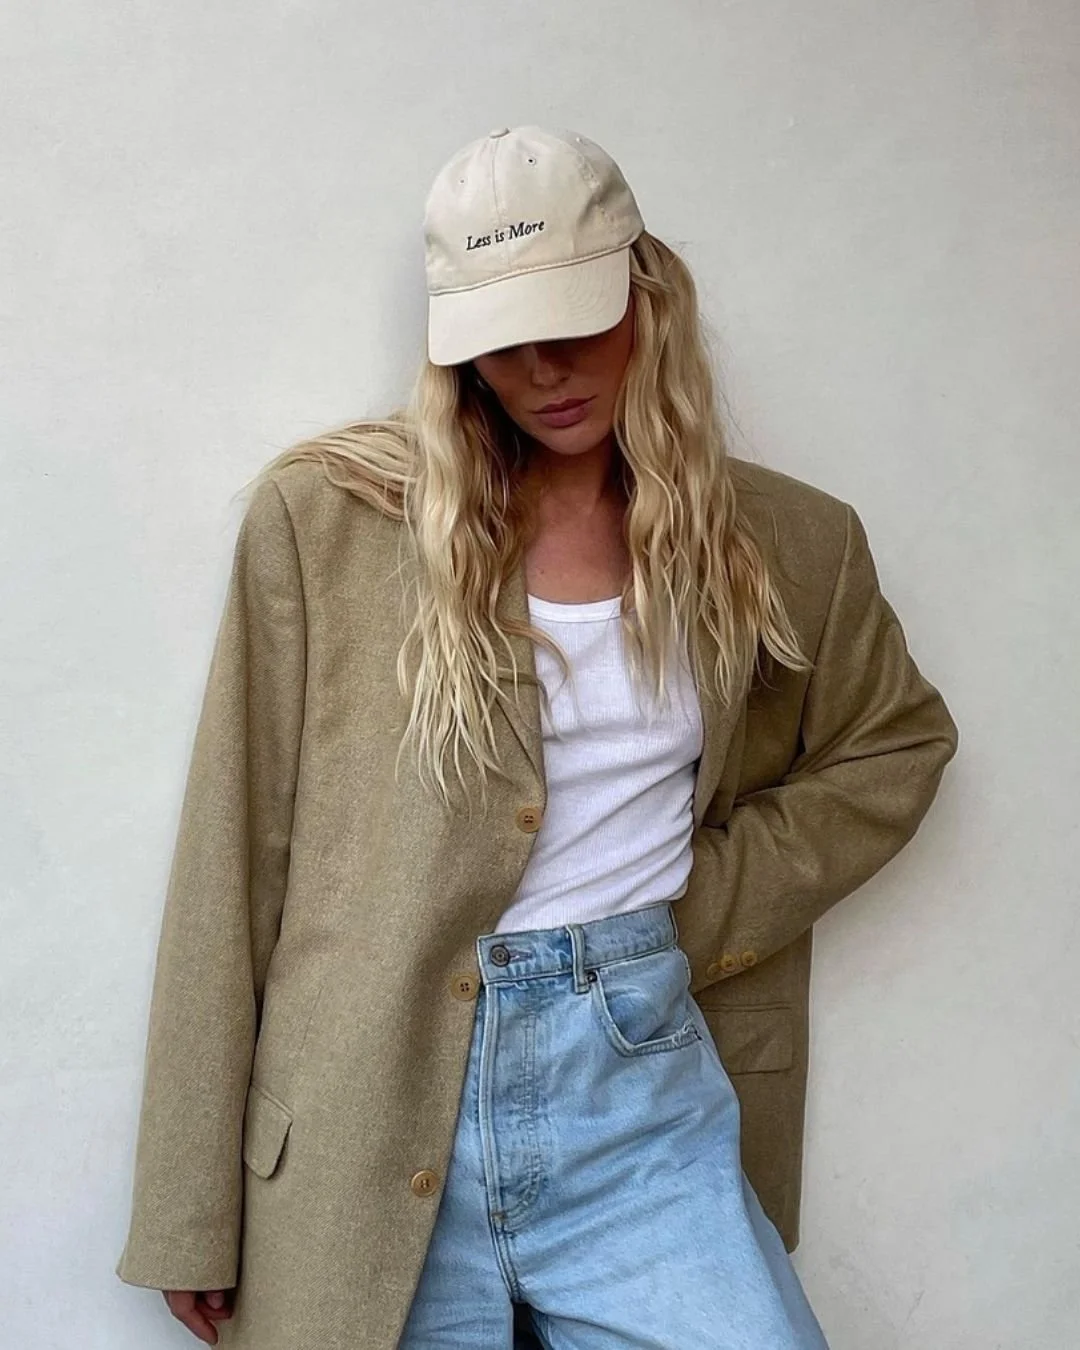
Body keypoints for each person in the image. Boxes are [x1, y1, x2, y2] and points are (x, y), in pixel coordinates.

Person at [114, 125, 959, 1349]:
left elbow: (896, 746)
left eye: (576, 321)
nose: (544, 369)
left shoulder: (791, 545)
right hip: (368, 1112)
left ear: (646, 296)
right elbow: (231, 859)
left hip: (640, 1109)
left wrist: (686, 908)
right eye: (500, 341)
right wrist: (188, 1205)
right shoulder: (329, 525)